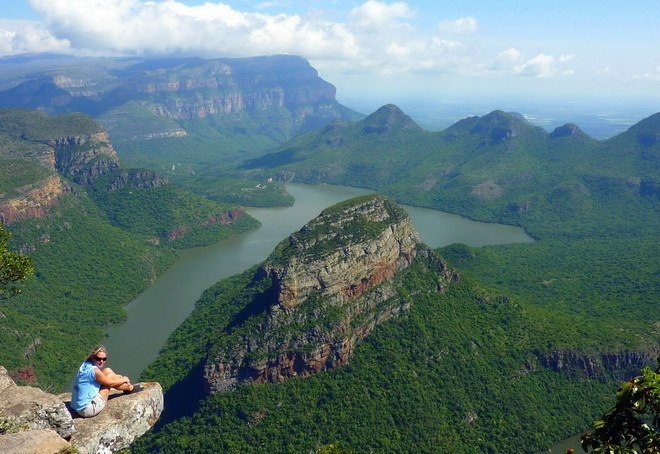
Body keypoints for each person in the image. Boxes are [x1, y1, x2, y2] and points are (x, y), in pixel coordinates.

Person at [71, 345, 139, 417]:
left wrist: (117, 377)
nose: (101, 361)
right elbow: (111, 383)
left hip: (76, 406)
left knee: (108, 370)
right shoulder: (94, 371)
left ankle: (126, 387)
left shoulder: (85, 365)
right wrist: (124, 379)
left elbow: (104, 377)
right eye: (98, 359)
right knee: (110, 377)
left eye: (104, 359)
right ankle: (129, 388)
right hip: (86, 409)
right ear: (92, 357)